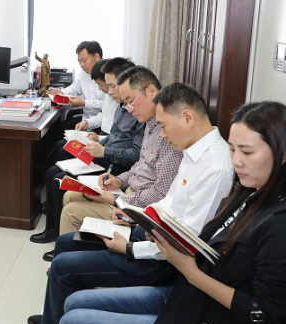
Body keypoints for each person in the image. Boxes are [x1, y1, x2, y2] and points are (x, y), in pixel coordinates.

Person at [59, 101, 286, 324]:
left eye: (247, 152)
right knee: (74, 303)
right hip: (193, 299)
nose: (236, 161)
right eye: (233, 150)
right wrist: (159, 231)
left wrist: (191, 272)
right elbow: (206, 242)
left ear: (283, 155)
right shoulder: (251, 193)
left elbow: (264, 313)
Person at [18, 82, 233, 324]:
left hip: (159, 260)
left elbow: (183, 244)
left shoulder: (214, 168)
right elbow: (167, 205)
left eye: (164, 126)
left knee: (63, 266)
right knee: (66, 243)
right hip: (148, 236)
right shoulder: (195, 152)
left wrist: (130, 247)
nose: (162, 134)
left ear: (187, 118)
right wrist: (134, 217)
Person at [30, 58, 143, 247]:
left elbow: (135, 154)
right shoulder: (122, 108)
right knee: (53, 170)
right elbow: (114, 136)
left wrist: (104, 150)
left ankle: (57, 233)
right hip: (107, 157)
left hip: (115, 167)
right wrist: (98, 142)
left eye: (111, 86)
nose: (108, 92)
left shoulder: (138, 113)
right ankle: (53, 229)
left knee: (58, 178)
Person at [58, 66, 183, 235]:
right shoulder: (150, 122)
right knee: (70, 195)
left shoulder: (169, 132)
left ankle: (73, 247)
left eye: (131, 101)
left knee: (71, 211)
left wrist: (115, 198)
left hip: (139, 207)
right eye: (126, 103)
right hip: (129, 192)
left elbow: (160, 194)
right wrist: (119, 181)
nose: (129, 109)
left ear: (151, 92)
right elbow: (140, 165)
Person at [48, 41, 106, 132]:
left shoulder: (109, 75)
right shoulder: (83, 74)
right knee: (54, 131)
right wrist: (61, 92)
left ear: (96, 57)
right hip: (85, 119)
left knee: (59, 139)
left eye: (84, 61)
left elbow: (108, 105)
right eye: (79, 62)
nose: (82, 65)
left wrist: (84, 103)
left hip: (102, 124)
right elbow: (74, 88)